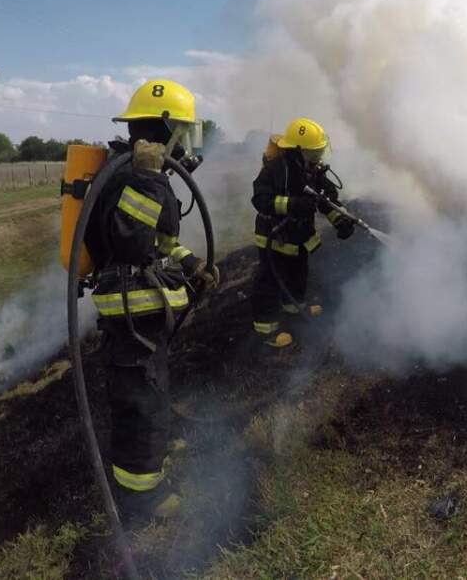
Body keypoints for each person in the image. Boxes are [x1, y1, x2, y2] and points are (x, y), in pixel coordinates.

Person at [85, 79, 219, 522]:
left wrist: (191, 262)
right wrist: (146, 180)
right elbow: (128, 243)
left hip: (142, 318)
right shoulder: (131, 174)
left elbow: (156, 243)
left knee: (151, 393)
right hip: (131, 315)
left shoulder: (144, 172)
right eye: (185, 131)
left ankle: (152, 456)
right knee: (141, 406)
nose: (188, 143)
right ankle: (141, 498)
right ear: (166, 128)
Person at [250, 117, 354, 348]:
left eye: (320, 151)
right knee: (270, 281)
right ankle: (266, 330)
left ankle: (295, 313)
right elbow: (260, 199)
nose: (319, 157)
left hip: (298, 236)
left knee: (298, 275)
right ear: (298, 150)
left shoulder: (312, 170)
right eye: (314, 152)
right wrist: (292, 205)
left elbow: (326, 200)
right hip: (274, 236)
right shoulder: (276, 168)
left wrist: (340, 220)